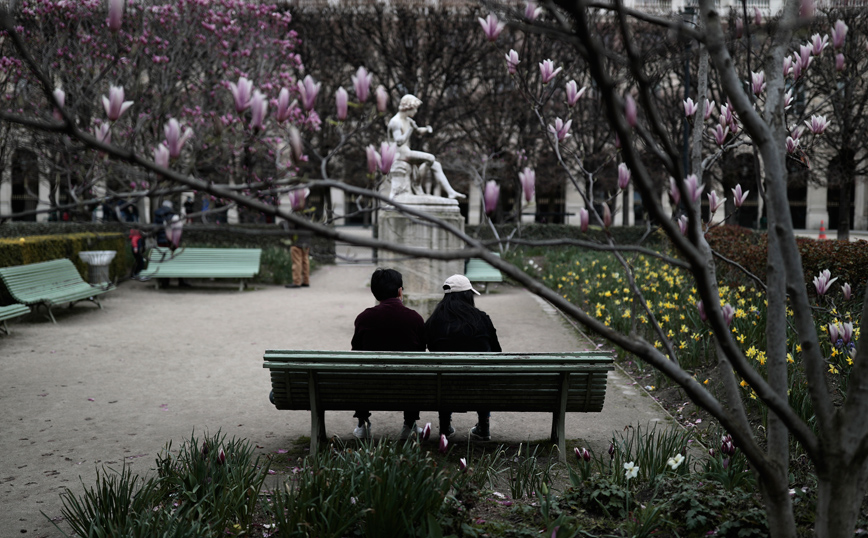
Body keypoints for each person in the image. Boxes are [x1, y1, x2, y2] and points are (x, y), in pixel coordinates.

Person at [351, 268, 426, 440]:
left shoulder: (364, 318)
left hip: (371, 385)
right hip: (406, 386)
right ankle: (410, 424)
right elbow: (421, 352)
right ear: (400, 291)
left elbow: (356, 352)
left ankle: (363, 424)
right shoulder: (414, 318)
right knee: (415, 371)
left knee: (360, 370)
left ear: (375, 293)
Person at [425, 274, 501, 441]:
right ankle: (484, 425)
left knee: (443, 373)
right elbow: (497, 352)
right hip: (480, 385)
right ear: (468, 295)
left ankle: (444, 426)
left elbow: (431, 349)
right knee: (484, 373)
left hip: (445, 385)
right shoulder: (482, 318)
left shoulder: (434, 321)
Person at [387, 94, 465, 200]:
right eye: (415, 109)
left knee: (436, 165)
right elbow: (399, 141)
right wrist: (410, 130)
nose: (416, 112)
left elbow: (418, 131)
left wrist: (427, 129)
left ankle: (451, 192)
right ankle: (417, 185)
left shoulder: (408, 120)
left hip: (406, 152)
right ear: (408, 107)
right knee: (430, 158)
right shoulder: (395, 122)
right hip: (399, 154)